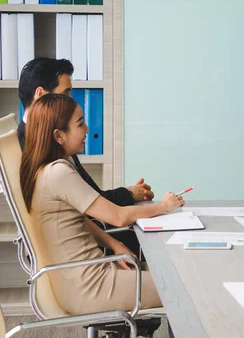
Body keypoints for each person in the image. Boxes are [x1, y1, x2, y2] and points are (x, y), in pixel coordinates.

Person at [19, 94, 185, 314]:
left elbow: (79, 219)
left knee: (175, 275)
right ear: (58, 135)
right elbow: (118, 217)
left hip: (82, 281)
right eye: (80, 124)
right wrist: (165, 206)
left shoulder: (43, 170)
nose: (87, 129)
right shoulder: (58, 173)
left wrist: (113, 243)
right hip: (92, 287)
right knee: (186, 289)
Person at [18, 58, 151, 255]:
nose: (72, 101)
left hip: (90, 232)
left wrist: (131, 193)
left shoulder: (49, 138)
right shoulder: (33, 147)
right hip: (78, 247)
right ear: (41, 95)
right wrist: (131, 194)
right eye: (66, 92)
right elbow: (97, 208)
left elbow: (89, 195)